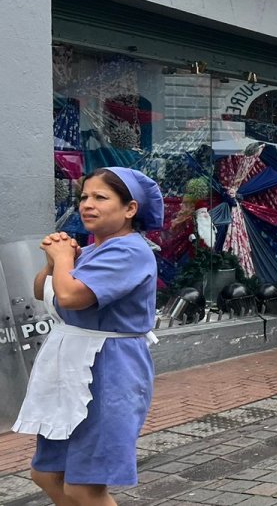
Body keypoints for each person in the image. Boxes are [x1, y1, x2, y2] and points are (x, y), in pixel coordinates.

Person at [14, 167, 164, 504]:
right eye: (84, 197)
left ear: (130, 209)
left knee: (85, 486)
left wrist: (64, 257)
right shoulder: (93, 250)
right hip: (71, 366)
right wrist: (55, 262)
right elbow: (43, 291)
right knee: (47, 473)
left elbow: (70, 297)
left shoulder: (129, 251)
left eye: (100, 197)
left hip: (109, 369)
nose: (87, 204)